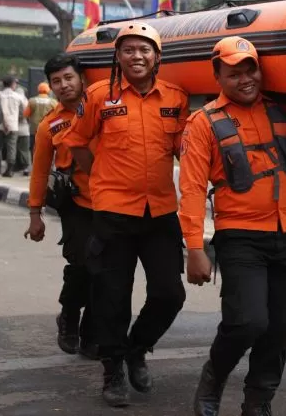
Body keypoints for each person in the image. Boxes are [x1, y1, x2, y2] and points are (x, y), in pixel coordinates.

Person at [178, 36, 286, 416]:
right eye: (235, 72)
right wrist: (195, 248)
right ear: (217, 76)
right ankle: (214, 376)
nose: (246, 78)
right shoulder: (204, 122)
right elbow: (192, 188)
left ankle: (258, 401)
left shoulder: (281, 111)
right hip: (240, 236)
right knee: (247, 322)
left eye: (251, 69)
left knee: (284, 322)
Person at [63, 20, 189, 407]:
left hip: (161, 212)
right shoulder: (99, 96)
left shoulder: (176, 97)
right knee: (112, 297)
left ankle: (138, 347)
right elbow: (76, 141)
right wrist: (100, 173)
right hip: (113, 212)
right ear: (117, 56)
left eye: (145, 49)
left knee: (170, 293)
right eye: (129, 50)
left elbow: (188, 149)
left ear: (157, 57)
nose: (137, 56)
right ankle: (113, 368)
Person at [24, 54, 98, 360]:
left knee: (107, 271)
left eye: (68, 78)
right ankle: (69, 316)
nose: (63, 85)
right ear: (50, 87)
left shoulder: (103, 108)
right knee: (82, 266)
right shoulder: (50, 125)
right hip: (77, 203)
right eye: (57, 81)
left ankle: (93, 335)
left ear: (81, 78)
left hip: (116, 202)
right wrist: (34, 215)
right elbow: (40, 171)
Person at [0, 76, 27, 177]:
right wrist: (19, 118)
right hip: (14, 124)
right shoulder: (18, 96)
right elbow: (25, 110)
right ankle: (10, 170)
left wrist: (5, 123)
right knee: (12, 147)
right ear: (12, 84)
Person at [25, 81, 58, 154]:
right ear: (48, 90)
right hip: (49, 130)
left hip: (34, 130)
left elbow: (26, 114)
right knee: (48, 149)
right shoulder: (53, 102)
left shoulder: (32, 101)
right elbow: (58, 116)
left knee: (34, 149)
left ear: (38, 89)